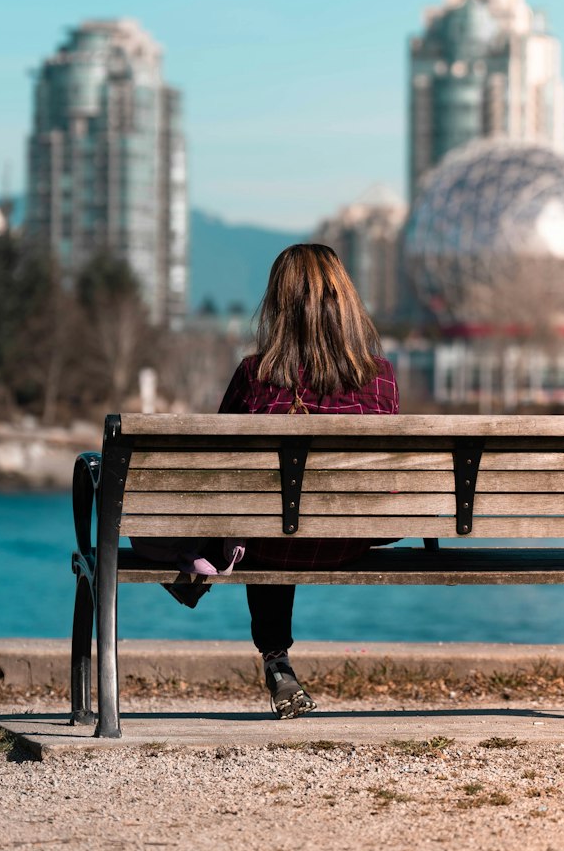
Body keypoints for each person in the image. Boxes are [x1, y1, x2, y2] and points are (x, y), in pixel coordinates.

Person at [155, 244, 398, 718]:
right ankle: (253, 618)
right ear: (346, 306)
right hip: (349, 538)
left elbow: (213, 468)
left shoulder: (256, 375)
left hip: (267, 541)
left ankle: (273, 654)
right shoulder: (381, 377)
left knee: (264, 516)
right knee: (278, 512)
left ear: (278, 307)